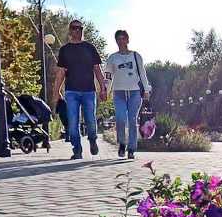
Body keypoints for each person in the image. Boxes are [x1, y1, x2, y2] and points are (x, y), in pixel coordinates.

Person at [51, 20, 107, 159]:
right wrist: (56, 90)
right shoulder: (65, 50)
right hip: (71, 91)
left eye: (80, 28)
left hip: (89, 91)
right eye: (74, 28)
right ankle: (77, 150)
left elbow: (97, 70)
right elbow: (61, 72)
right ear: (70, 30)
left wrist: (103, 88)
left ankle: (92, 139)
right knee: (73, 122)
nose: (77, 30)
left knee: (90, 120)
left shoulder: (90, 48)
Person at [104, 29, 151, 160]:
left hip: (134, 92)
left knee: (132, 120)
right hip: (118, 92)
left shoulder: (136, 56)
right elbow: (108, 75)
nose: (121, 41)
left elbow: (142, 73)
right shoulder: (113, 58)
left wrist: (146, 90)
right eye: (119, 39)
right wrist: (105, 90)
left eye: (123, 38)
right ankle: (122, 143)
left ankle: (131, 148)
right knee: (120, 119)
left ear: (128, 40)